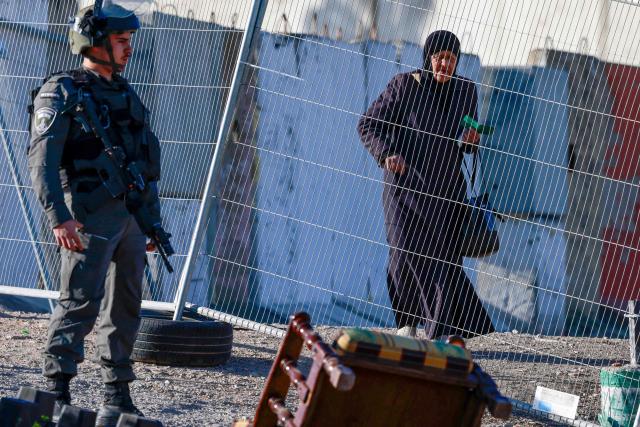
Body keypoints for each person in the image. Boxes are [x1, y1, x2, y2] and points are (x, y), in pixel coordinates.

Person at [27, 2, 162, 424]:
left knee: (126, 304)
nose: (128, 50)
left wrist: (151, 222)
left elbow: (145, 164)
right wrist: (58, 217)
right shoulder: (61, 91)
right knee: (80, 300)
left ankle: (116, 392)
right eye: (121, 41)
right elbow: (42, 161)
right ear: (95, 42)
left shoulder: (124, 92)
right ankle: (56, 386)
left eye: (129, 42)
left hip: (130, 218)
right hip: (87, 214)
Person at [357, 30, 494, 339]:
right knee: (403, 254)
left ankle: (439, 332)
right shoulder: (405, 86)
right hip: (404, 191)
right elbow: (367, 124)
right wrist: (387, 153)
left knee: (443, 260)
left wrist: (471, 140)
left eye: (451, 59)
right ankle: (407, 323)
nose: (445, 64)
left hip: (446, 192)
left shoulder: (466, 90)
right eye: (439, 57)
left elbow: (465, 141)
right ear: (428, 58)